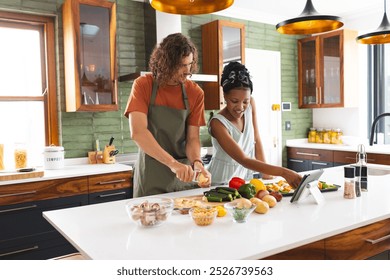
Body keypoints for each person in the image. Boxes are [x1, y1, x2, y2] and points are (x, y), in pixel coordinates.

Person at [124, 33, 211, 197]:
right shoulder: (144, 85)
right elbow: (138, 133)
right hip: (151, 175)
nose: (187, 71)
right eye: (181, 65)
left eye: (190, 64)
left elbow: (193, 138)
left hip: (184, 177)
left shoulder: (195, 93)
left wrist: (197, 163)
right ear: (166, 63)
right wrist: (172, 164)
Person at [207, 61, 302, 187]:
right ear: (224, 96)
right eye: (234, 101)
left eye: (245, 101)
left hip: (244, 181)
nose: (240, 107)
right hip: (219, 183)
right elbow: (243, 159)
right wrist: (284, 172)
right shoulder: (217, 123)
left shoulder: (251, 105)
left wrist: (266, 175)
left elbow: (256, 138)